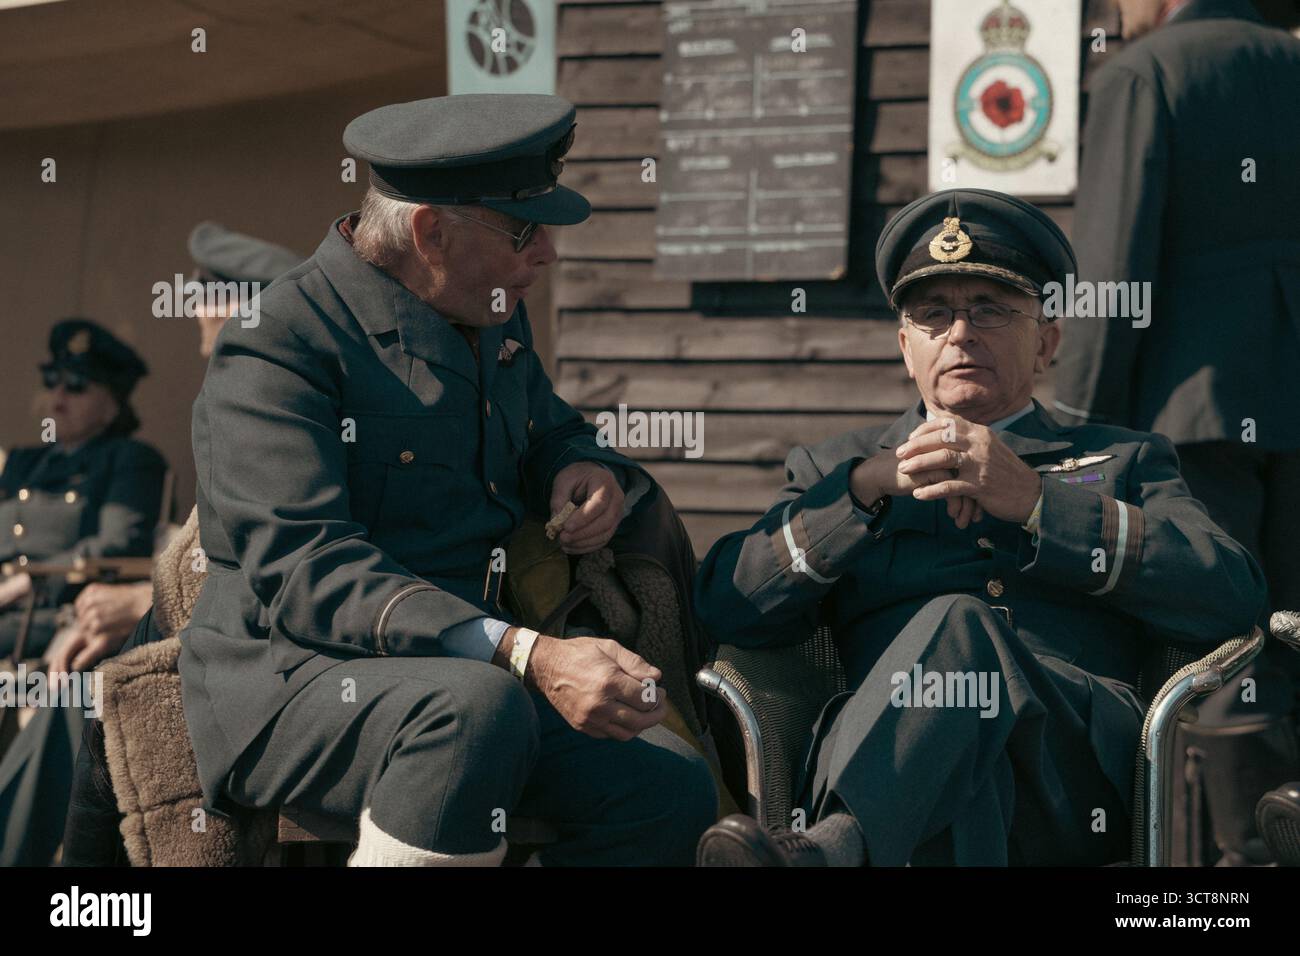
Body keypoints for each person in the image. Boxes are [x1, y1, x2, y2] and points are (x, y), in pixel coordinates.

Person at [179, 93, 717, 867]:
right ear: (431, 231)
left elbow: (545, 424)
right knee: (474, 709)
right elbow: (311, 571)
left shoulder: (491, 309)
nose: (548, 256)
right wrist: (529, 654)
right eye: (525, 232)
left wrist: (580, 465)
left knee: (670, 784)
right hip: (292, 682)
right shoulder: (280, 345)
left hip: (468, 670)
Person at [692, 189, 1266, 866]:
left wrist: (1037, 502)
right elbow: (726, 607)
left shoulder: (1126, 458)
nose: (961, 334)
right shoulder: (839, 470)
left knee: (964, 626)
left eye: (990, 309)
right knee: (963, 775)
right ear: (907, 350)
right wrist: (860, 494)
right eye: (934, 316)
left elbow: (1229, 592)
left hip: (1064, 772)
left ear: (1046, 342)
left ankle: (831, 852)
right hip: (887, 762)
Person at [1051, 0, 1300, 864]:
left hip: (1192, 413)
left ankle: (1238, 861)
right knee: (1292, 634)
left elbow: (1114, 276)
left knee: (1220, 647)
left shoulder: (1144, 71)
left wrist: (1077, 432)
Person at [45, 222, 303, 679]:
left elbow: (273, 563)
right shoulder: (241, 397)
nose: (195, 311)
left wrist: (145, 602)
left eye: (205, 295)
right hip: (217, 627)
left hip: (259, 653)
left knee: (90, 692)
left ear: (242, 307)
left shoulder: (273, 406)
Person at [0, 319, 165, 866]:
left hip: (56, 619)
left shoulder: (130, 458)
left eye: (77, 387)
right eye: (53, 382)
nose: (58, 397)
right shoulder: (24, 461)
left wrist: (29, 577)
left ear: (111, 405)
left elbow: (119, 543)